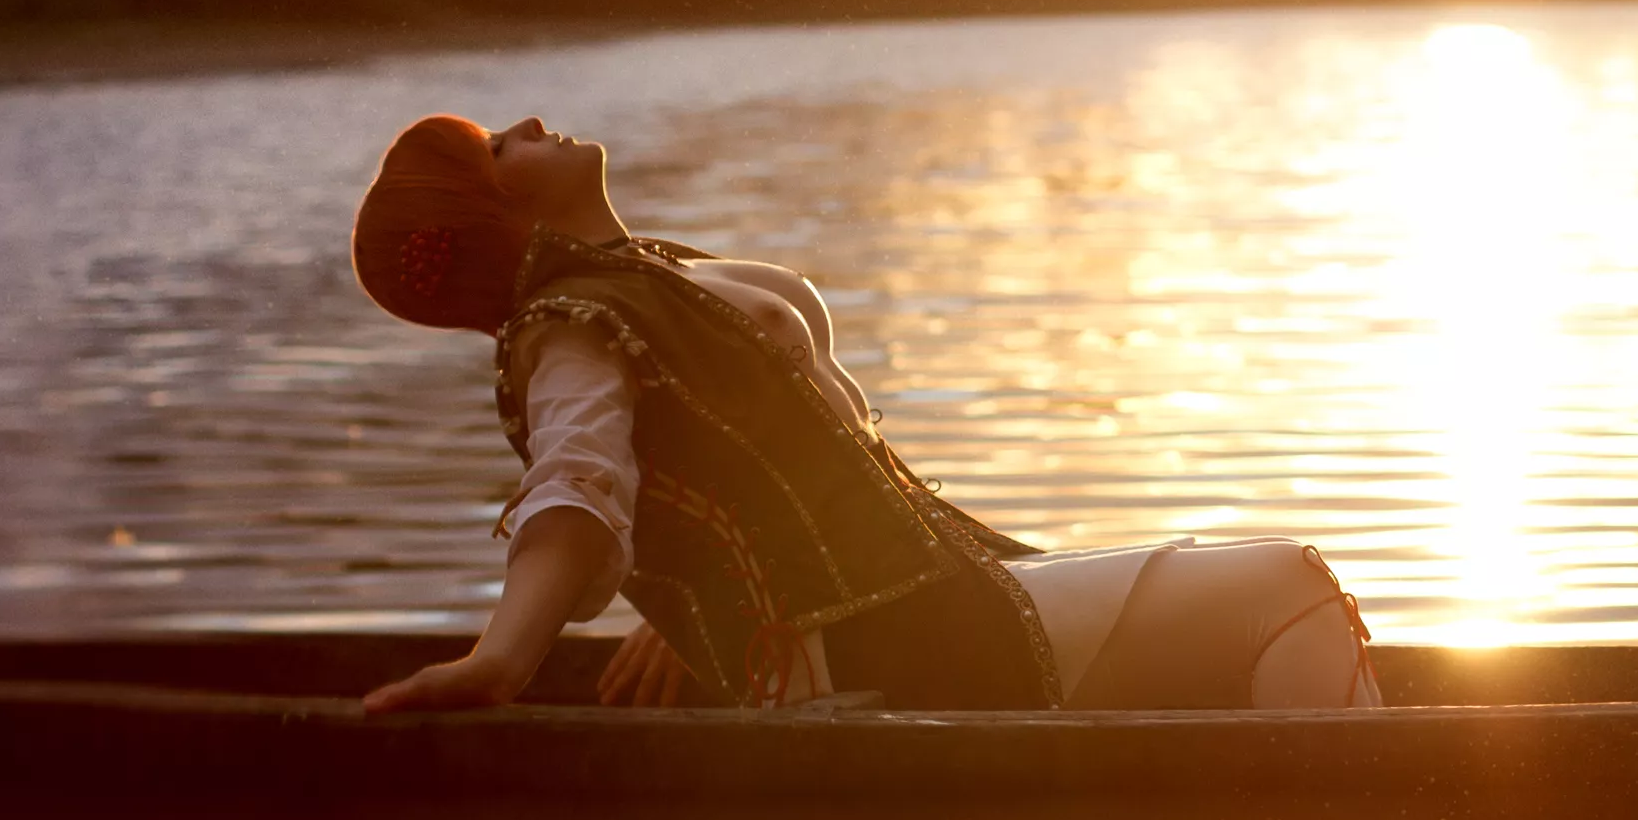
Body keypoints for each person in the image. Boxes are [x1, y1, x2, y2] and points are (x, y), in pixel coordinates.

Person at [348, 113, 1383, 715]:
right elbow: (577, 490)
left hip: (922, 596)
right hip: (878, 643)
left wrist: (686, 591)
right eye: (497, 151)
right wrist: (504, 656)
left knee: (1257, 604)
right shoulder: (570, 325)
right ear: (501, 215)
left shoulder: (644, 277)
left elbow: (693, 466)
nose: (527, 124)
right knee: (1286, 584)